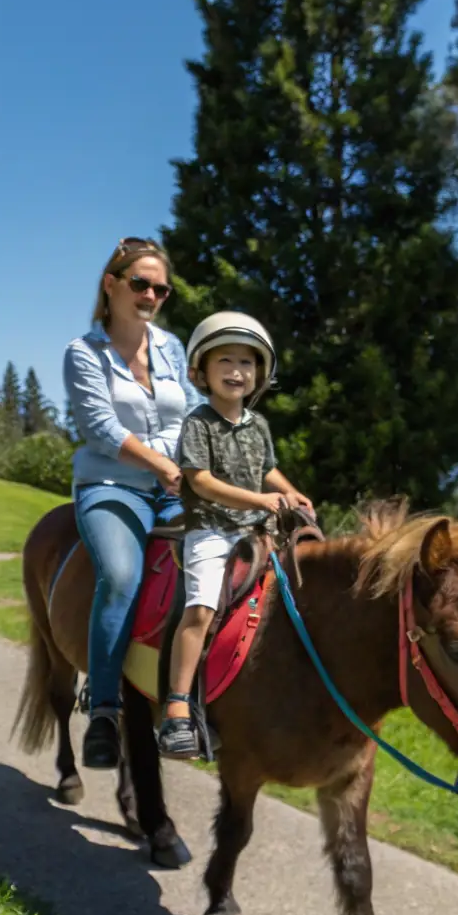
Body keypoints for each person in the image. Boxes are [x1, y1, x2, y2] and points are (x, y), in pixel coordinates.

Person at [63, 237, 205, 769]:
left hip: (174, 487)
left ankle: (182, 704)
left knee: (216, 563)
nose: (150, 294)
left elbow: (194, 412)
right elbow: (99, 427)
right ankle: (103, 710)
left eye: (160, 288)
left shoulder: (171, 348)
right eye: (140, 283)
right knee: (121, 576)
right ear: (111, 284)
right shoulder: (84, 352)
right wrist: (162, 466)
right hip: (111, 487)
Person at [157, 311, 313, 760]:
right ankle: (177, 708)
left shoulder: (258, 425)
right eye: (224, 361)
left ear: (258, 373)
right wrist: (259, 500)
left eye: (246, 363)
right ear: (201, 371)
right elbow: (200, 480)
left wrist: (289, 492)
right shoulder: (198, 423)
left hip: (257, 531)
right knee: (202, 609)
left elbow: (266, 469)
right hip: (211, 530)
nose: (236, 371)